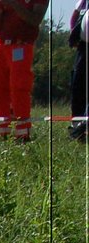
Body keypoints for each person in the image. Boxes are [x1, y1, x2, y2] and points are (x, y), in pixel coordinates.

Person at [0, 0, 47, 142]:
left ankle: (23, 135)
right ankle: (0, 134)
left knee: (19, 86)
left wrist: (13, 4)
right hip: (0, 44)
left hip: (21, 45)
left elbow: (35, 20)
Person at [71, 0, 88, 140]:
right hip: (83, 48)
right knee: (77, 85)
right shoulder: (83, 2)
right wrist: (73, 33)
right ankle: (77, 126)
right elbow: (74, 16)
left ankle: (84, 126)